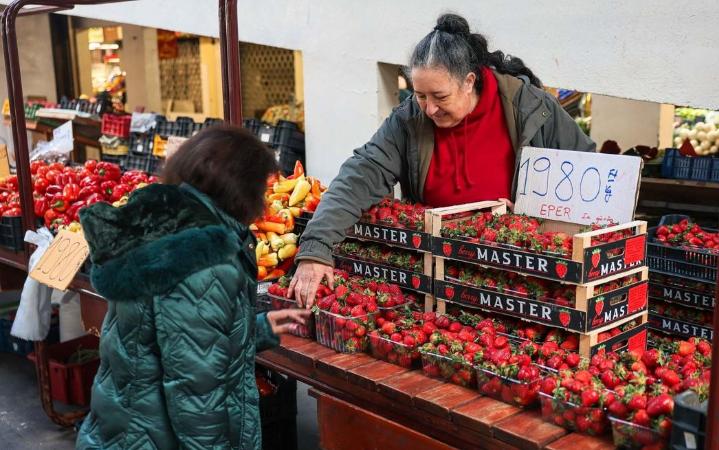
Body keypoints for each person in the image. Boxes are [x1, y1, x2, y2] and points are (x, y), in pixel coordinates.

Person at [289, 13, 595, 305]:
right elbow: (361, 174)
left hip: (518, 280)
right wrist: (316, 249)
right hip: (435, 277)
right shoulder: (409, 120)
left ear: (468, 81)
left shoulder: (530, 108)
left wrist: (534, 219)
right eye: (420, 96)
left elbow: (586, 177)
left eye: (439, 97)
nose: (429, 108)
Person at [75, 126, 309, 449]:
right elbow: (197, 395)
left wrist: (261, 328)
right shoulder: (201, 258)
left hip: (128, 432)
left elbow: (188, 343)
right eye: (261, 188)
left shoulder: (163, 227)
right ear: (239, 189)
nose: (265, 200)